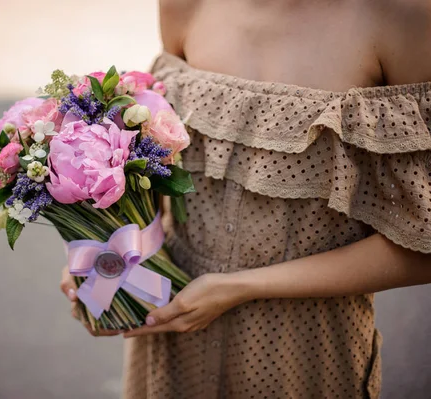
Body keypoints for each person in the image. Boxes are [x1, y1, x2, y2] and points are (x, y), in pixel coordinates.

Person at [61, 1, 431, 397]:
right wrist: (106, 250)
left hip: (305, 353)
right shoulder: (184, 6)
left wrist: (242, 287)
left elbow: (421, 245)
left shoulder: (402, 16)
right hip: (173, 335)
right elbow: (165, 171)